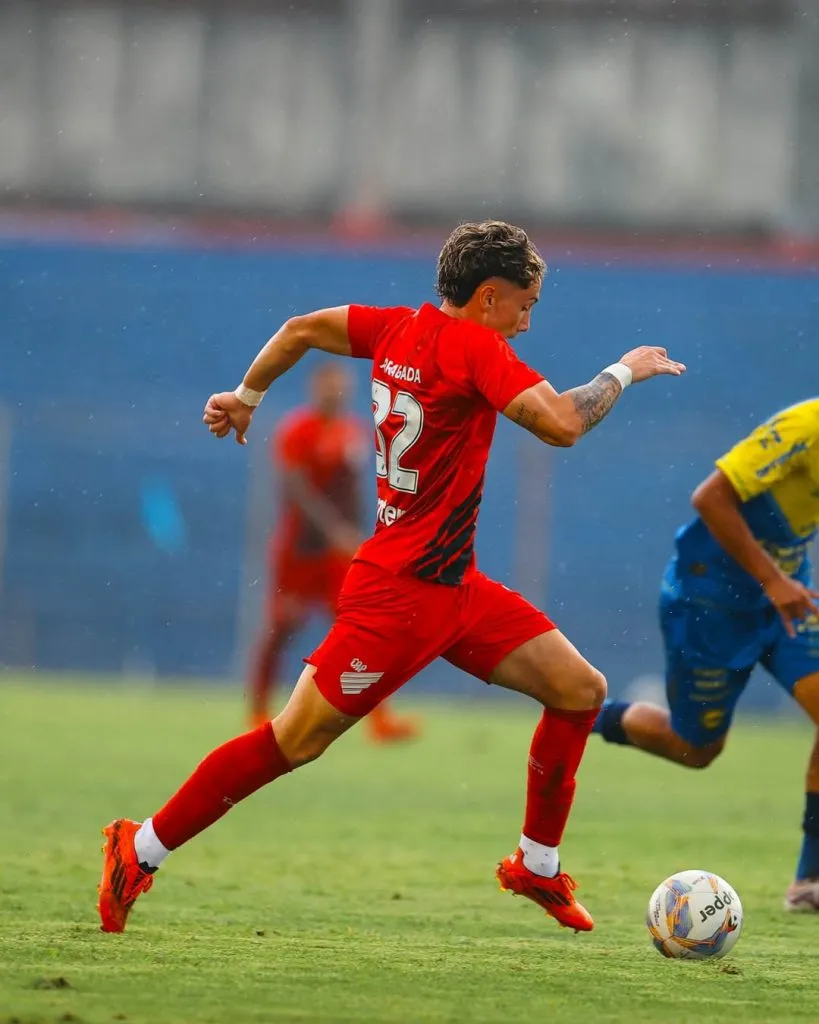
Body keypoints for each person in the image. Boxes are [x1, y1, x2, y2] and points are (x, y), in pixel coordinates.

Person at [97, 219, 684, 935]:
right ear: (489, 297)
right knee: (294, 740)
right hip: (400, 595)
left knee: (577, 690)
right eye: (526, 304)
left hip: (453, 588)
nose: (529, 321)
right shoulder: (475, 347)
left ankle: (534, 865)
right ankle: (140, 847)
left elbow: (301, 327)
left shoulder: (396, 329)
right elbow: (562, 423)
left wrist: (247, 394)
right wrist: (623, 369)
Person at [592, 398, 819, 910]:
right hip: (710, 601)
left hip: (785, 601)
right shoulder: (803, 428)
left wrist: (782, 583)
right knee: (695, 749)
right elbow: (709, 498)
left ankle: (809, 882)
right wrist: (773, 579)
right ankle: (582, 712)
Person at [249, 361, 419, 743]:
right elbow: (297, 489)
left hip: (339, 553)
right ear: (314, 388)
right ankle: (258, 710)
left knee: (364, 631)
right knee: (282, 627)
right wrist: (334, 531)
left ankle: (379, 720)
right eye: (329, 386)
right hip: (299, 550)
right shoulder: (297, 431)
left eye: (341, 386)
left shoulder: (353, 432)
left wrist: (366, 535)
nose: (335, 393)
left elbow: (353, 492)